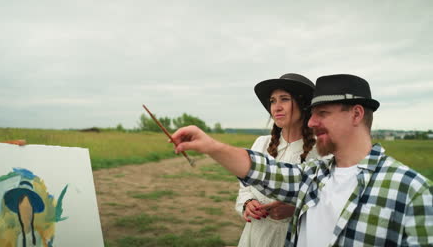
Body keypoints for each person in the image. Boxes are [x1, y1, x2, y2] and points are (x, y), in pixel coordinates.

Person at [171, 74, 432, 246]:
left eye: (323, 113)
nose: (311, 121)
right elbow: (265, 171)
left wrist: (291, 210)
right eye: (312, 113)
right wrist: (210, 146)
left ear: (356, 114)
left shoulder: (411, 190)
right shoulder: (314, 175)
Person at [235, 73, 321, 247]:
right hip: (255, 236)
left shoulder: (320, 150)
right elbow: (245, 188)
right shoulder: (262, 143)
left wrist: (295, 210)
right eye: (273, 101)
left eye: (284, 99)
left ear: (304, 104)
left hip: (294, 238)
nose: (277, 107)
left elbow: (330, 203)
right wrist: (247, 203)